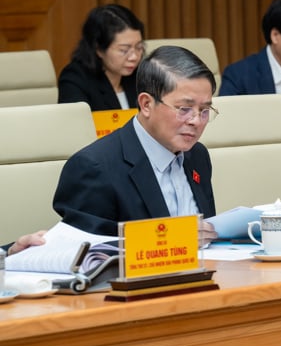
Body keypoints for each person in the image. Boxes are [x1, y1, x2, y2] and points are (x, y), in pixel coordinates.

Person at [52, 46, 219, 242]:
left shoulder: (197, 155)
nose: (196, 121)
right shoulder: (94, 167)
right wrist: (177, 238)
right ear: (146, 104)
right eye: (184, 109)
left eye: (205, 110)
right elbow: (89, 256)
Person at [57, 4, 146, 111]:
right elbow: (77, 125)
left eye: (139, 47)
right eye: (124, 50)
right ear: (99, 49)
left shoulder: (141, 77)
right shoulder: (75, 79)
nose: (134, 57)